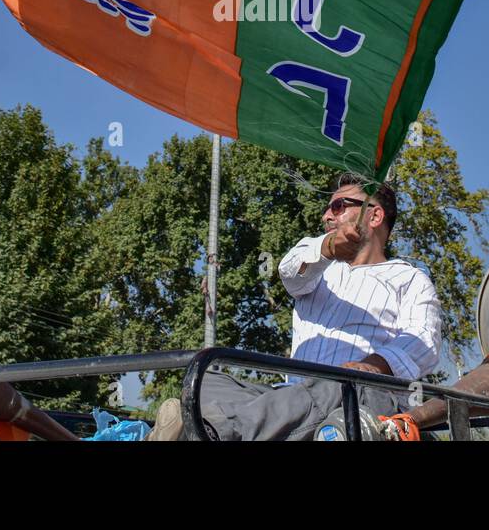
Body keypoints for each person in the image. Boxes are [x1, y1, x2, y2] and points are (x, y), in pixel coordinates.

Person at [147, 172, 442, 440]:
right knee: (206, 380)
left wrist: (372, 365)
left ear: (375, 215)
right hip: (294, 397)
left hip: (363, 398)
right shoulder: (321, 269)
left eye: (339, 206)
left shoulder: (409, 278)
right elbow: (289, 271)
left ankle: (211, 434)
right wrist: (327, 248)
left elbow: (423, 341)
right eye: (328, 208)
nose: (327, 215)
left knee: (334, 383)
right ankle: (199, 429)